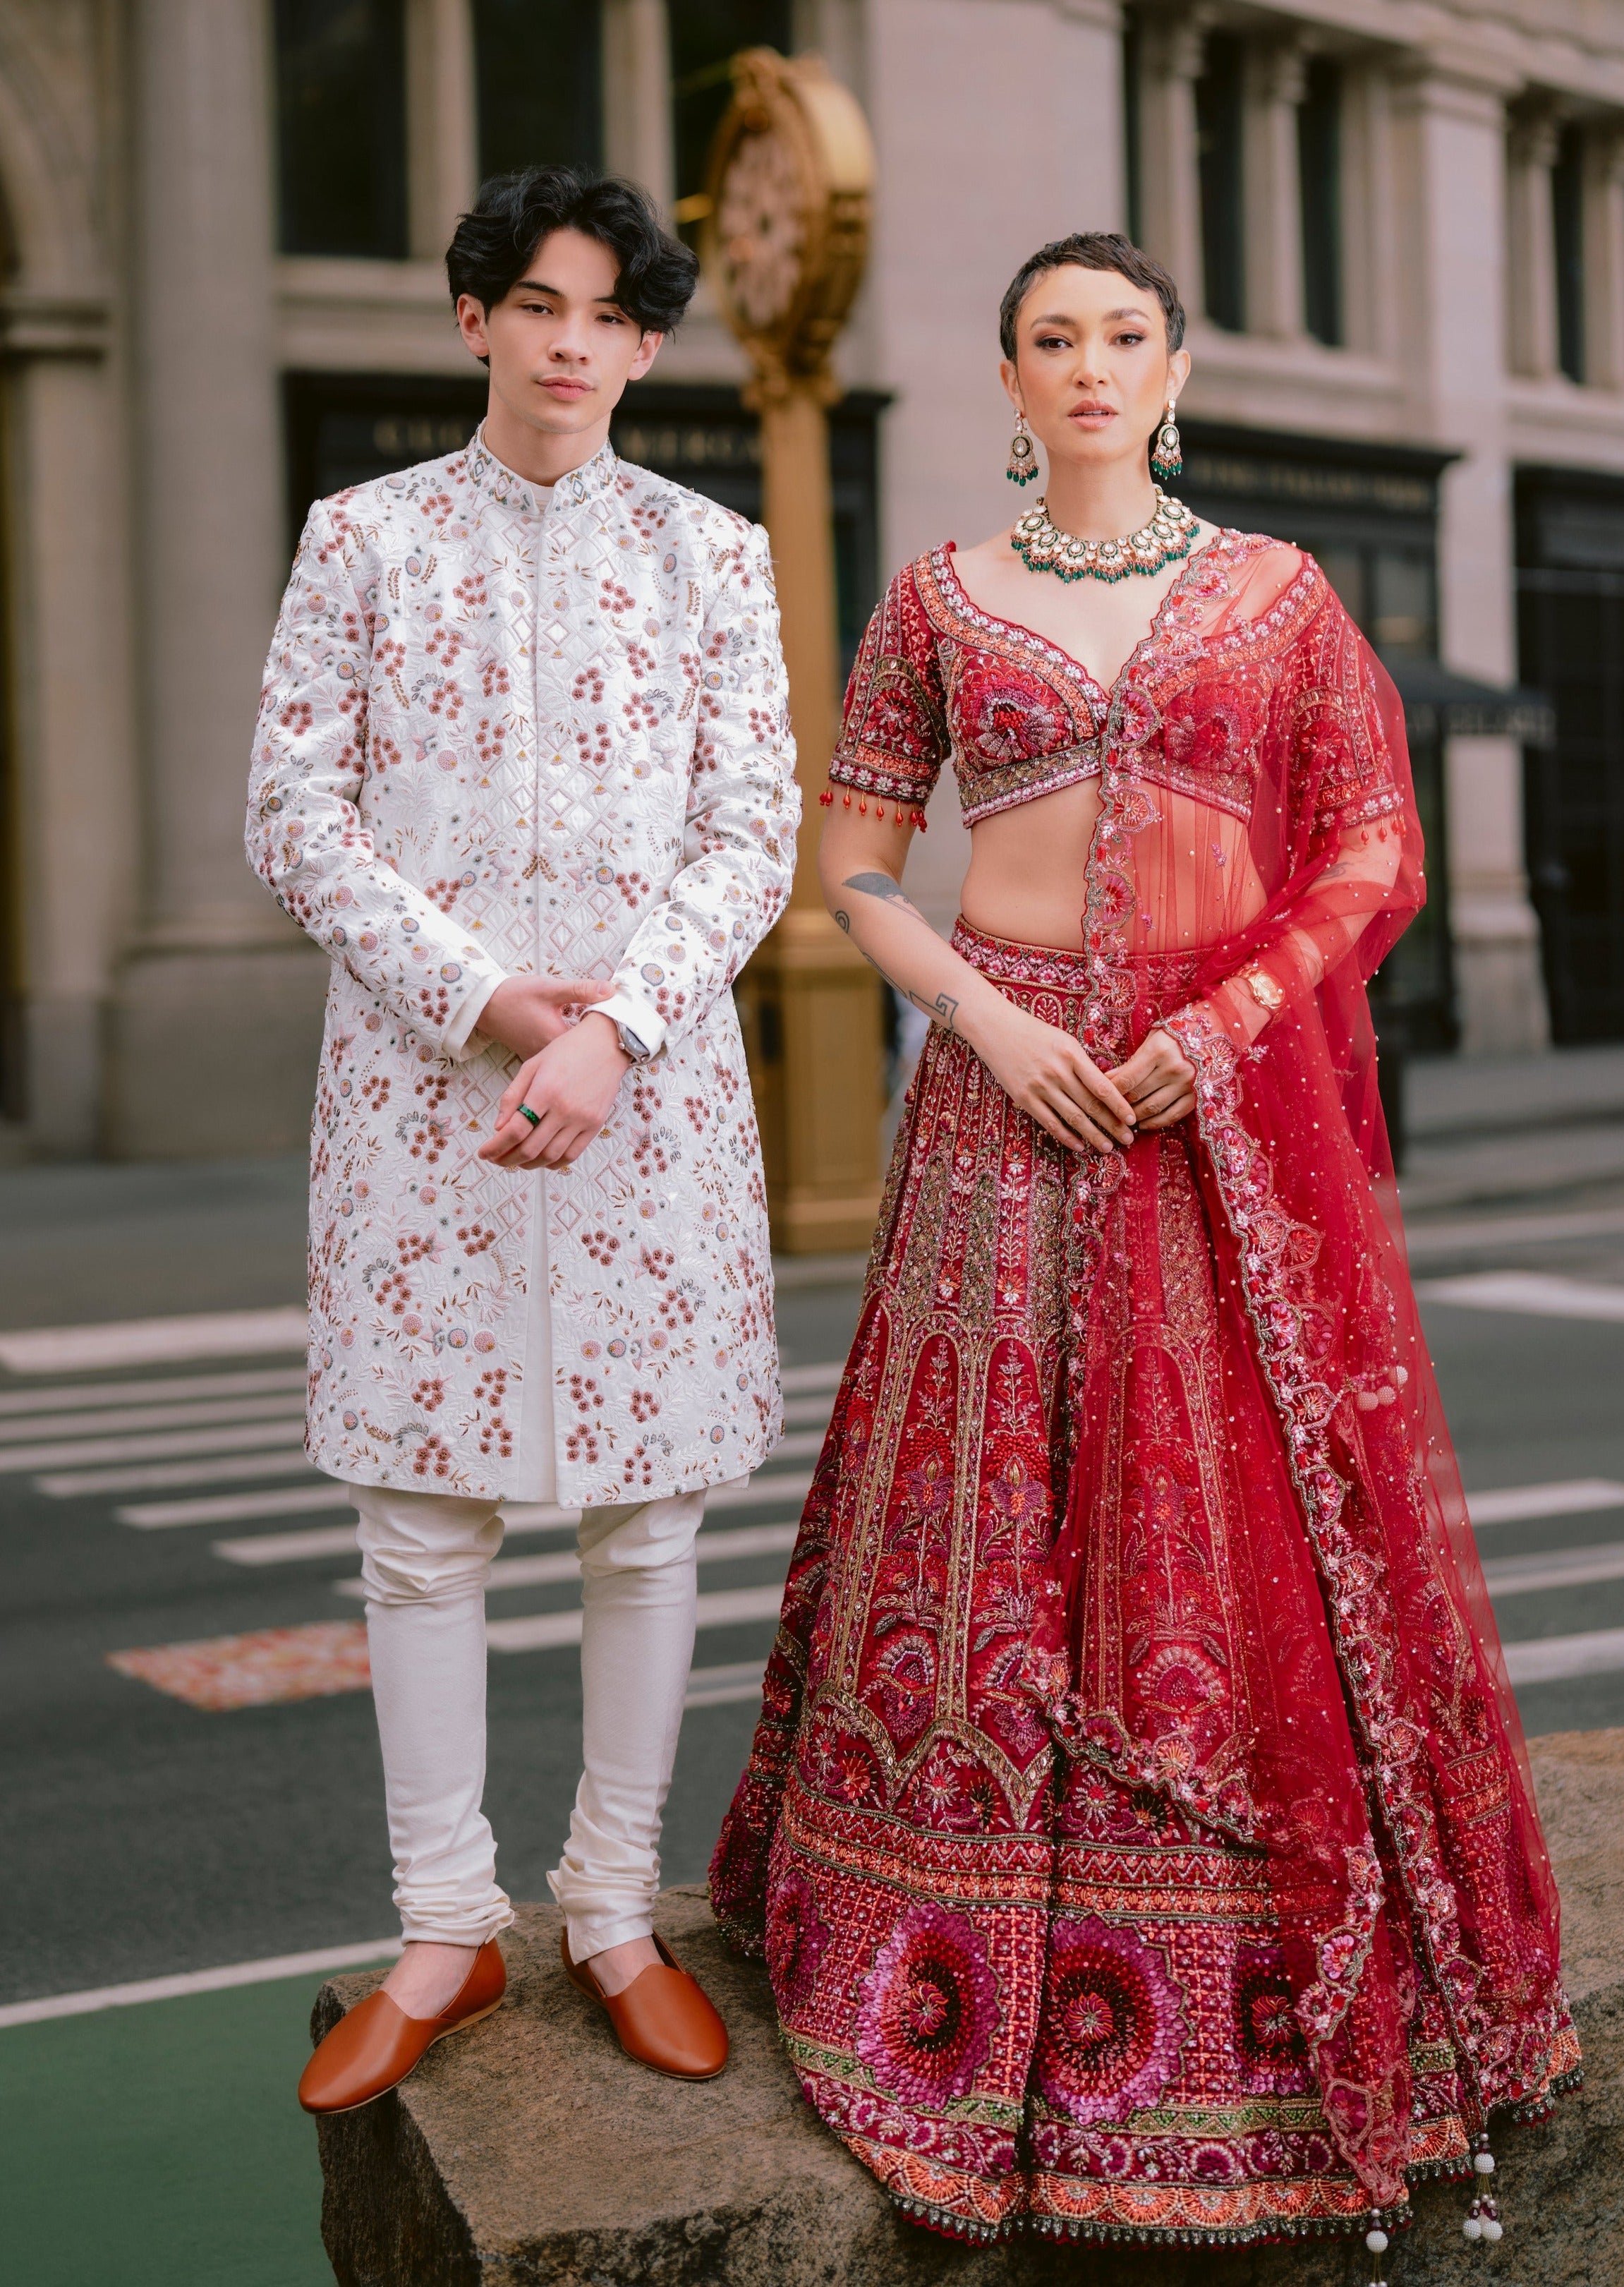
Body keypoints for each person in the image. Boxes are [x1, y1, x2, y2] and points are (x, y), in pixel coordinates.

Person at [711, 232, 1576, 2255]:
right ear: (1006, 379)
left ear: (1171, 364)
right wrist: (991, 1020)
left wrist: (1222, 1025)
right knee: (983, 1507)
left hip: (1215, 1111)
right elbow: (852, 854)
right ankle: (949, 1964)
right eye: (1048, 340)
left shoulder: (1275, 595)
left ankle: (1235, 1996)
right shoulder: (933, 598)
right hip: (1000, 1097)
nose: (1087, 368)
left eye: (1120, 336)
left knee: (1232, 1516)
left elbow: (1372, 847)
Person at [247, 165, 798, 2111]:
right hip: (424, 1089)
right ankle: (444, 1919)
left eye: (614, 318)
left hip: (652, 1096)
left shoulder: (712, 556)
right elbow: (297, 816)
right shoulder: (365, 541)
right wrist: (492, 1009)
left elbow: (755, 830)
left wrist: (620, 1028)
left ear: (648, 347)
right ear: (472, 316)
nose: (576, 344)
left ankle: (612, 1909)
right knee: (423, 1518)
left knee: (650, 1517)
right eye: (539, 304)